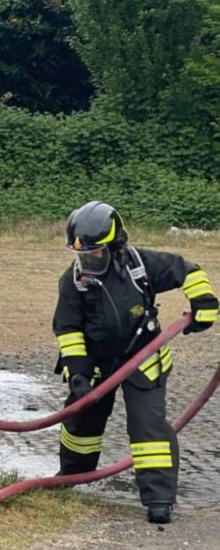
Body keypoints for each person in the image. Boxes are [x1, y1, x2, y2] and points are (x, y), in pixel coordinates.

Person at [54, 200, 218, 524]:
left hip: (143, 358)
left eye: (94, 253)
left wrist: (203, 303)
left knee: (148, 427)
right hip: (97, 364)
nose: (87, 260)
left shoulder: (142, 265)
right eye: (82, 255)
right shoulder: (72, 282)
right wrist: (77, 371)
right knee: (81, 422)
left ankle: (158, 499)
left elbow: (189, 271)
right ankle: (70, 479)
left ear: (116, 247)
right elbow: (68, 328)